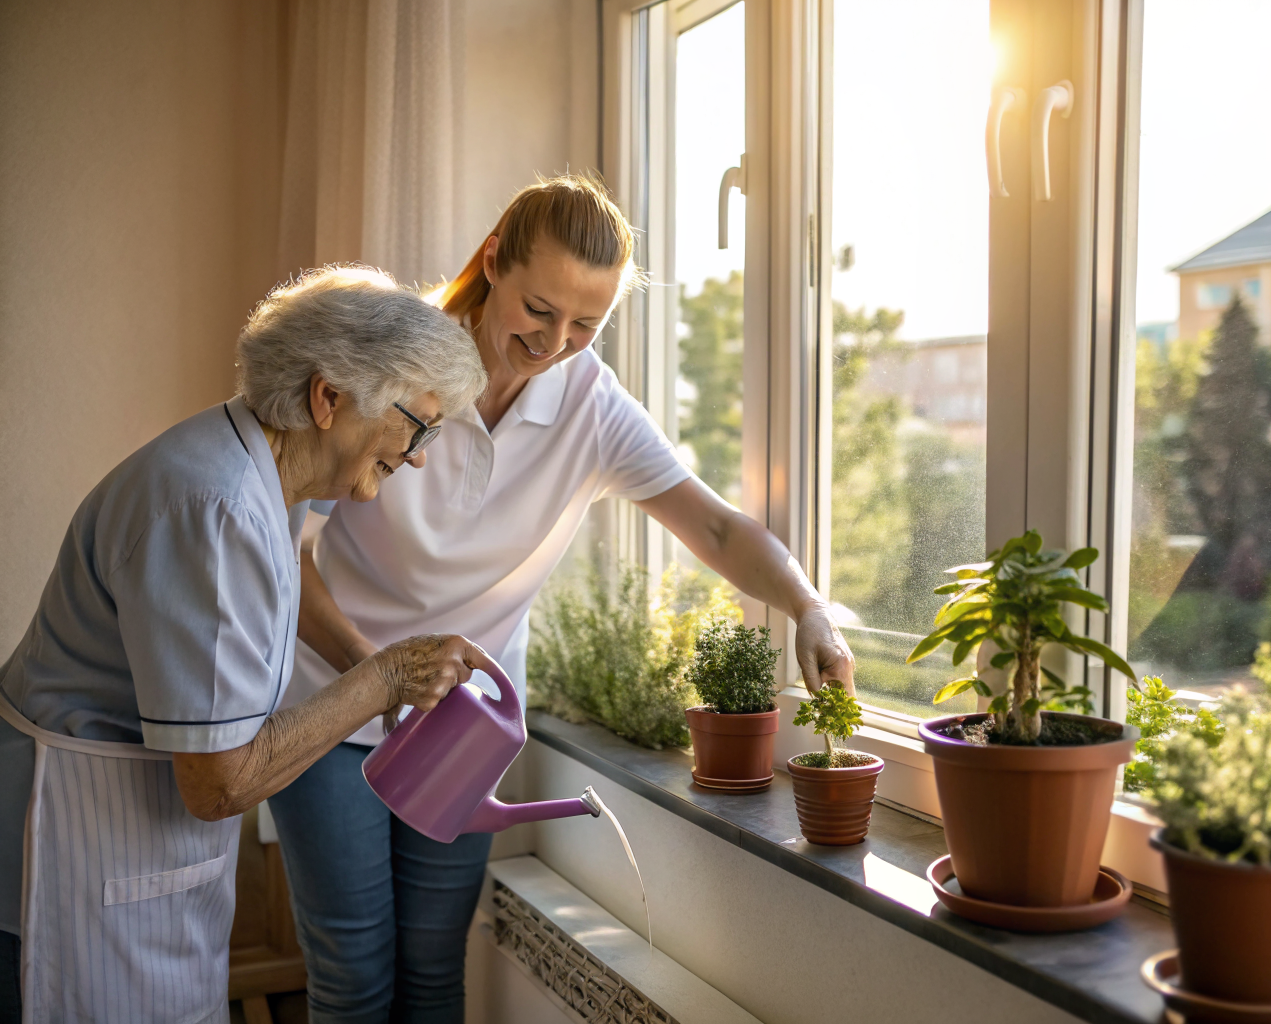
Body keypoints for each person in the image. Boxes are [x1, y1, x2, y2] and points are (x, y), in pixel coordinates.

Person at [273, 175, 857, 1023]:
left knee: (434, 969)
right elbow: (284, 556)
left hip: (456, 729)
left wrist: (807, 605)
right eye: (538, 310)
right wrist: (377, 679)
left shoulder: (591, 406)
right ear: (493, 260)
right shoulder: (397, 366)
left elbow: (720, 530)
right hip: (325, 706)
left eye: (587, 324)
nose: (554, 342)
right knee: (353, 978)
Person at [0, 267, 491, 1024]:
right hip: (75, 838)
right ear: (327, 399)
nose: (419, 454)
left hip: (132, 842)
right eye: (416, 425)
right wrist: (388, 676)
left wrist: (372, 667)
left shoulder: (261, 470)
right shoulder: (215, 506)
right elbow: (219, 784)